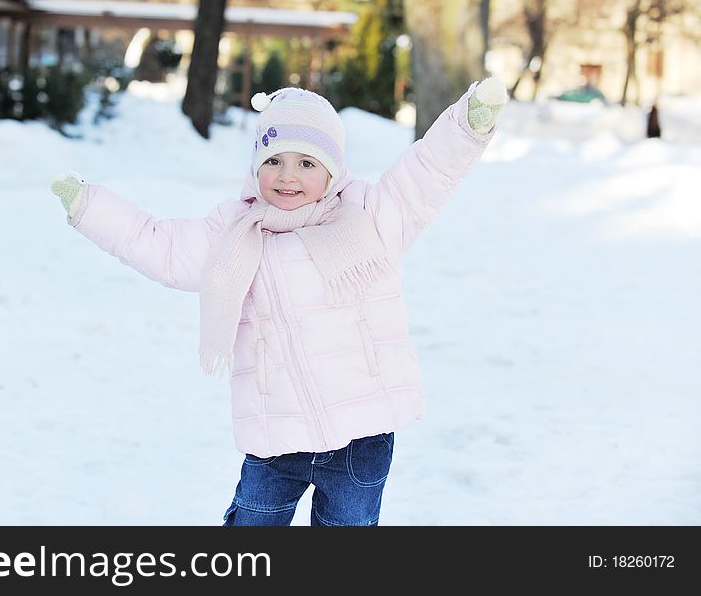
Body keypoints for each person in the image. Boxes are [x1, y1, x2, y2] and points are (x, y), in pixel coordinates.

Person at [50, 78, 508, 526]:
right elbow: (157, 245)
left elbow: (424, 175)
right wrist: (90, 207)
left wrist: (467, 124)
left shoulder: (370, 216)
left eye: (308, 163)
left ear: (334, 169)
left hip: (362, 434)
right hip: (276, 436)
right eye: (274, 161)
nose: (288, 176)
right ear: (255, 166)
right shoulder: (235, 232)